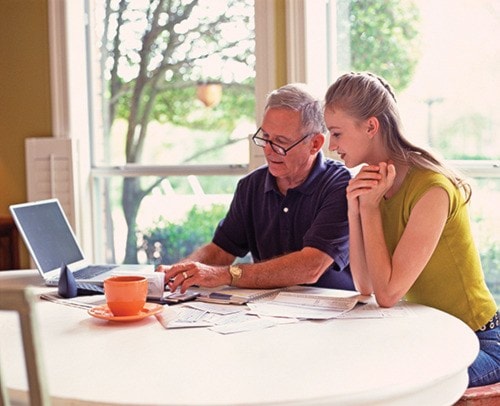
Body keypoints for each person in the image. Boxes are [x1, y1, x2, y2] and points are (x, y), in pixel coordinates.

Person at [323, 71, 499, 387]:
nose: (331, 145)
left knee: (399, 386)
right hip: (431, 335)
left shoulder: (432, 189)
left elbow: (388, 294)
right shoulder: (372, 183)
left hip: (479, 341)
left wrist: (372, 208)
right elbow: (365, 286)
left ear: (370, 126)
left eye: (336, 133)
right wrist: (357, 207)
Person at [156, 83, 354, 293]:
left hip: (331, 313)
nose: (268, 150)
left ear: (315, 144)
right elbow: (221, 250)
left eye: (281, 142)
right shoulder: (251, 185)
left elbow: (311, 266)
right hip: (263, 311)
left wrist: (226, 275)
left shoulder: (340, 185)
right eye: (265, 137)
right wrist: (181, 271)